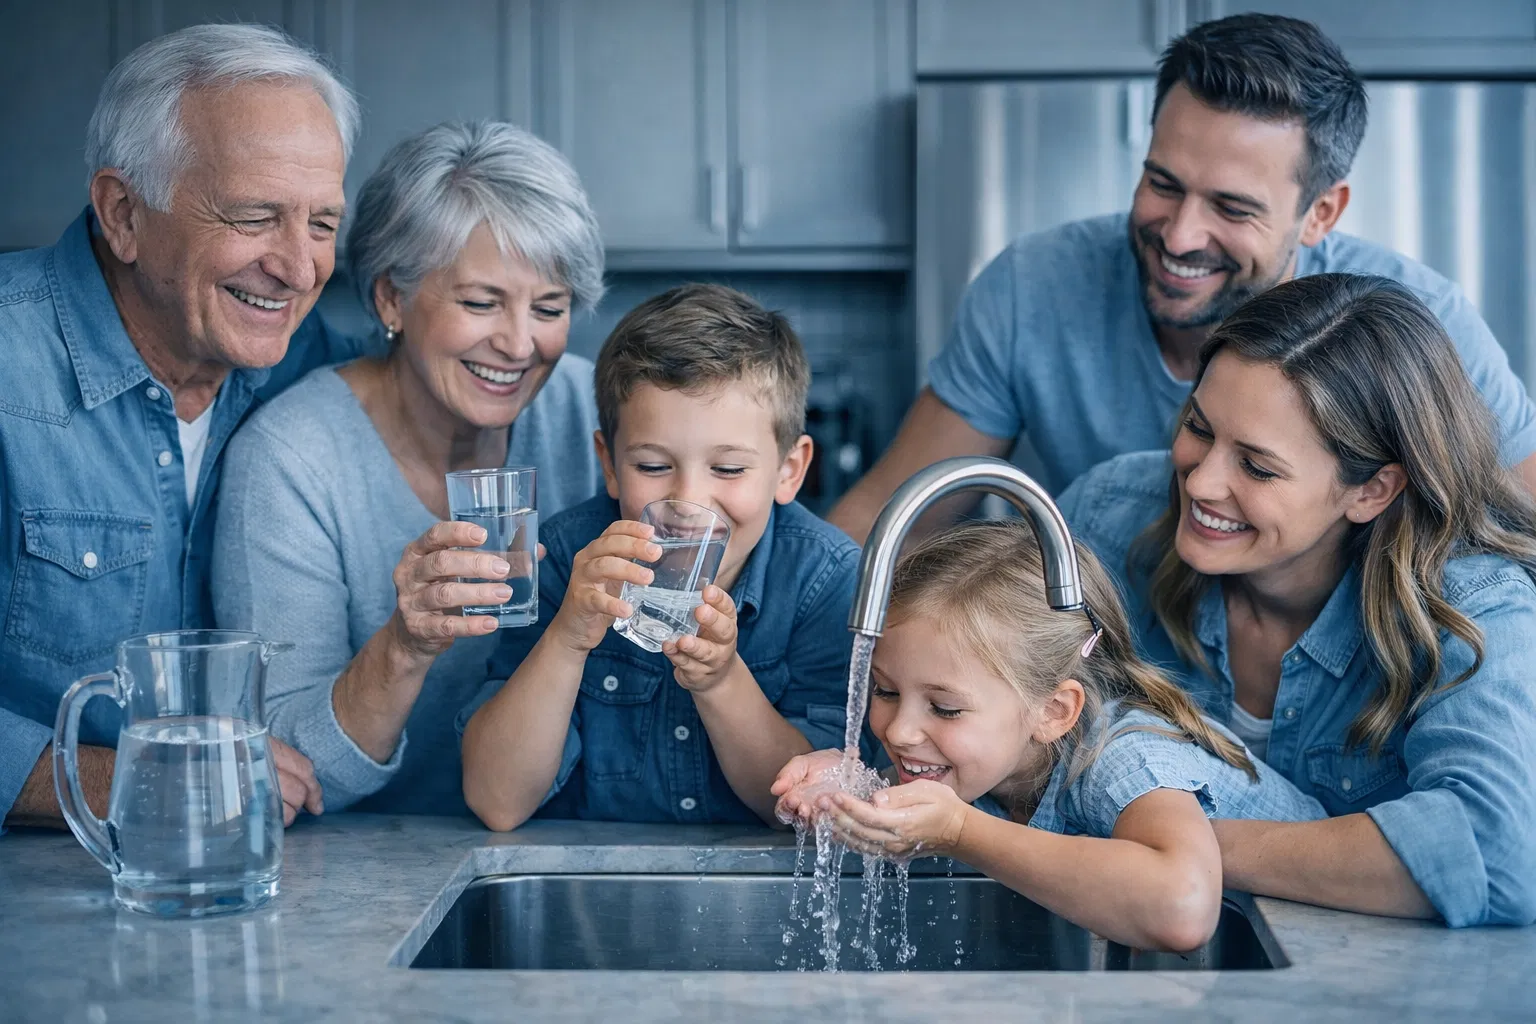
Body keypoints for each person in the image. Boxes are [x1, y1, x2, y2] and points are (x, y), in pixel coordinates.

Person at [828, 12, 1536, 543]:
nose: (1179, 235)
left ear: (1321, 212)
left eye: (1231, 207)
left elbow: (1518, 529)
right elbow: (896, 514)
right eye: (1163, 183)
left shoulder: (1419, 322)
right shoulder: (1032, 288)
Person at [1057, 273, 1536, 928]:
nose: (1201, 482)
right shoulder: (1109, 514)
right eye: (1198, 428)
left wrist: (1180, 851)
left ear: (1371, 491)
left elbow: (1497, 853)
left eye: (1256, 466)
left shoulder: (1474, 607)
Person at [0, 24, 369, 832]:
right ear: (124, 213)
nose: (301, 268)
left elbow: (450, 372)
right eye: (252, 216)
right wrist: (141, 778)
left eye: (321, 223)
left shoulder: (313, 371)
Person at [212, 121, 606, 815]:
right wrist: (405, 645)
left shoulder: (595, 414)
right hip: (356, 871)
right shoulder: (292, 456)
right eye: (481, 302)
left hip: (560, 839)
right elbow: (287, 775)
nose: (519, 344)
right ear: (392, 298)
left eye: (550, 307)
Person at [772, 519, 1324, 952]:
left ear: (1054, 712)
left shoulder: (1123, 759)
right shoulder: (985, 756)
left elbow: (1181, 910)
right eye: (886, 691)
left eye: (944, 707)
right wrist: (851, 783)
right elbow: (935, 799)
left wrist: (960, 832)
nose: (899, 728)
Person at [459, 284, 860, 829]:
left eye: (728, 469)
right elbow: (497, 801)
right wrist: (568, 637)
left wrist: (722, 682)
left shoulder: (825, 578)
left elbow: (804, 811)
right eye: (651, 466)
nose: (688, 503)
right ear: (609, 463)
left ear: (789, 470)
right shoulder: (564, 560)